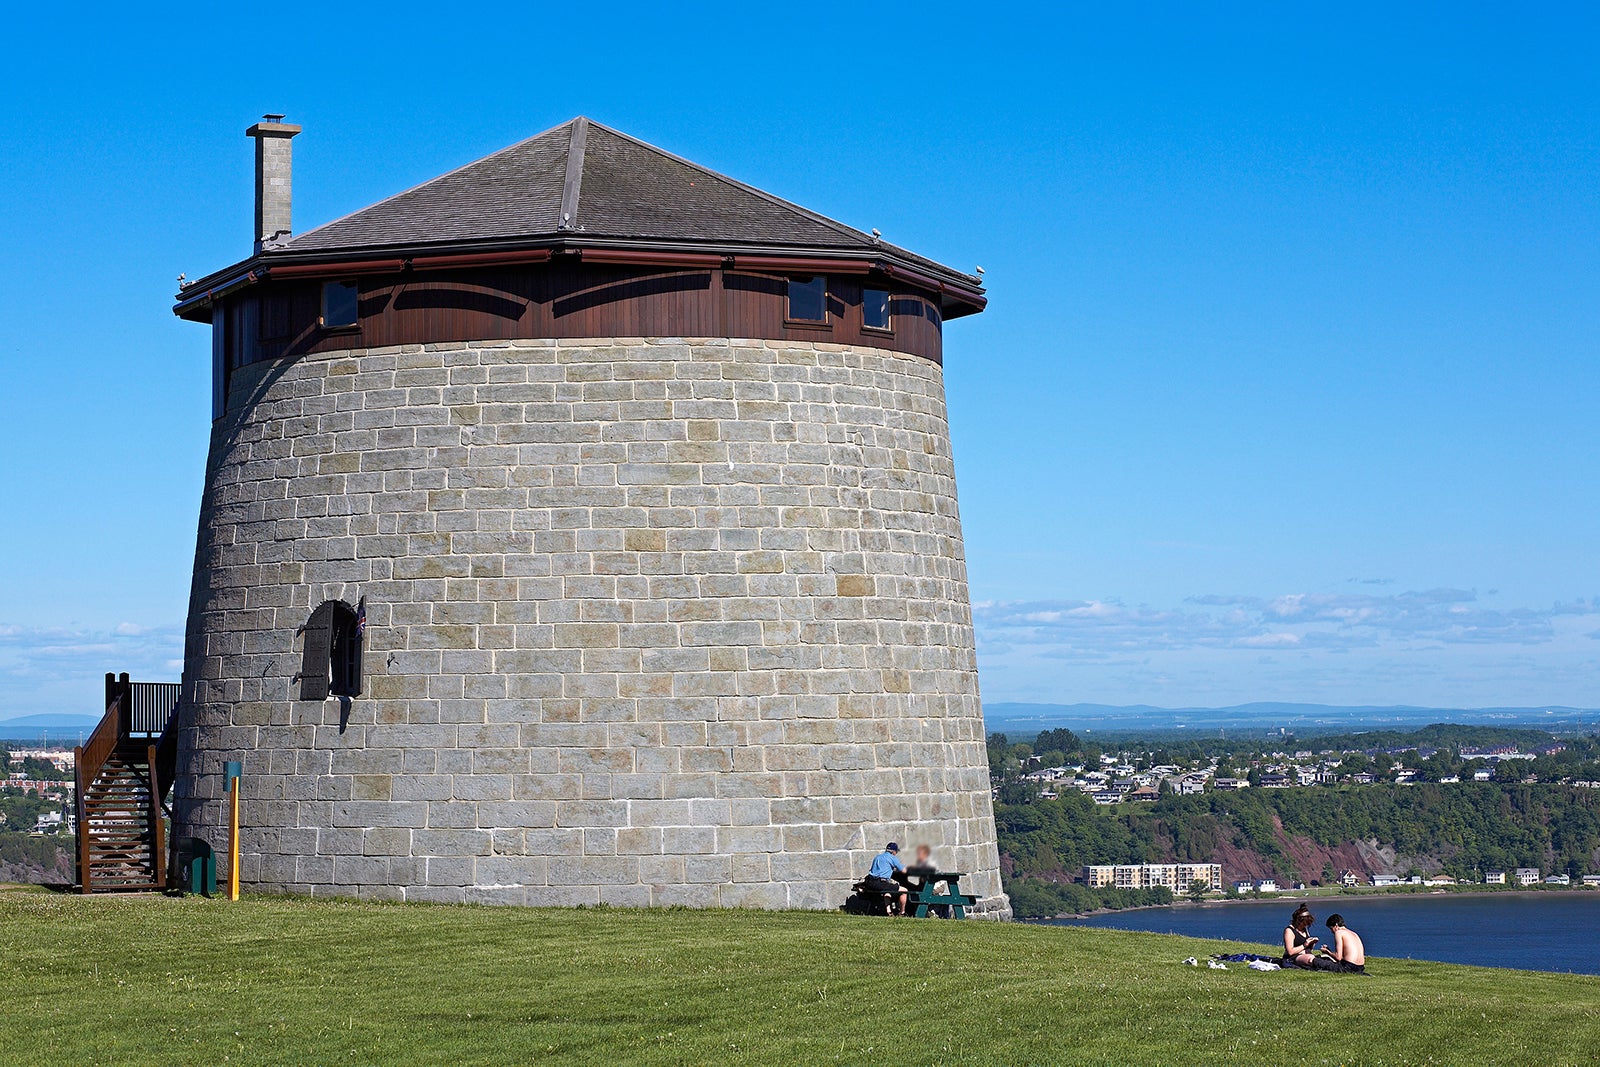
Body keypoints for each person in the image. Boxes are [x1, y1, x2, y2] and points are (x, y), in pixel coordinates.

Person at [863, 842, 908, 915]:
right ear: (893, 852)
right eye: (896, 852)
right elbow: (904, 871)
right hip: (880, 883)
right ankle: (902, 912)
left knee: (887, 891)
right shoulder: (892, 858)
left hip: (870, 882)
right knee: (904, 891)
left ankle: (889, 911)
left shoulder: (877, 857)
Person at [1281, 904, 1320, 968]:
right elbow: (1290, 952)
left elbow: (1309, 948)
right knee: (1310, 959)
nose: (1305, 925)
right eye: (1304, 924)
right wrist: (1304, 945)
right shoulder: (1289, 931)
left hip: (1305, 954)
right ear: (1298, 921)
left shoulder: (1304, 928)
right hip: (1292, 957)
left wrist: (1312, 943)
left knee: (1322, 957)